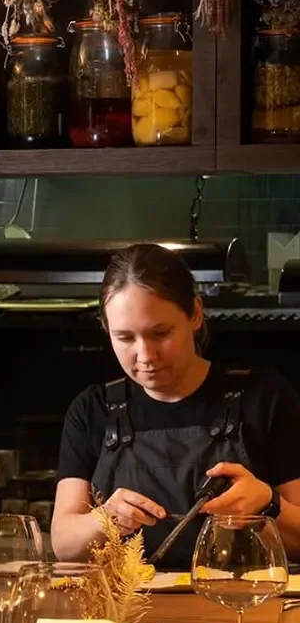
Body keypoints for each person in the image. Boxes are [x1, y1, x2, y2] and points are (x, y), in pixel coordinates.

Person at [52, 242, 300, 568]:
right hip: (131, 611)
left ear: (195, 314)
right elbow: (63, 543)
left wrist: (267, 505)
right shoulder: (92, 410)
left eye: (161, 333)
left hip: (241, 604)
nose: (145, 356)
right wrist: (104, 519)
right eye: (125, 338)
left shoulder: (264, 397)